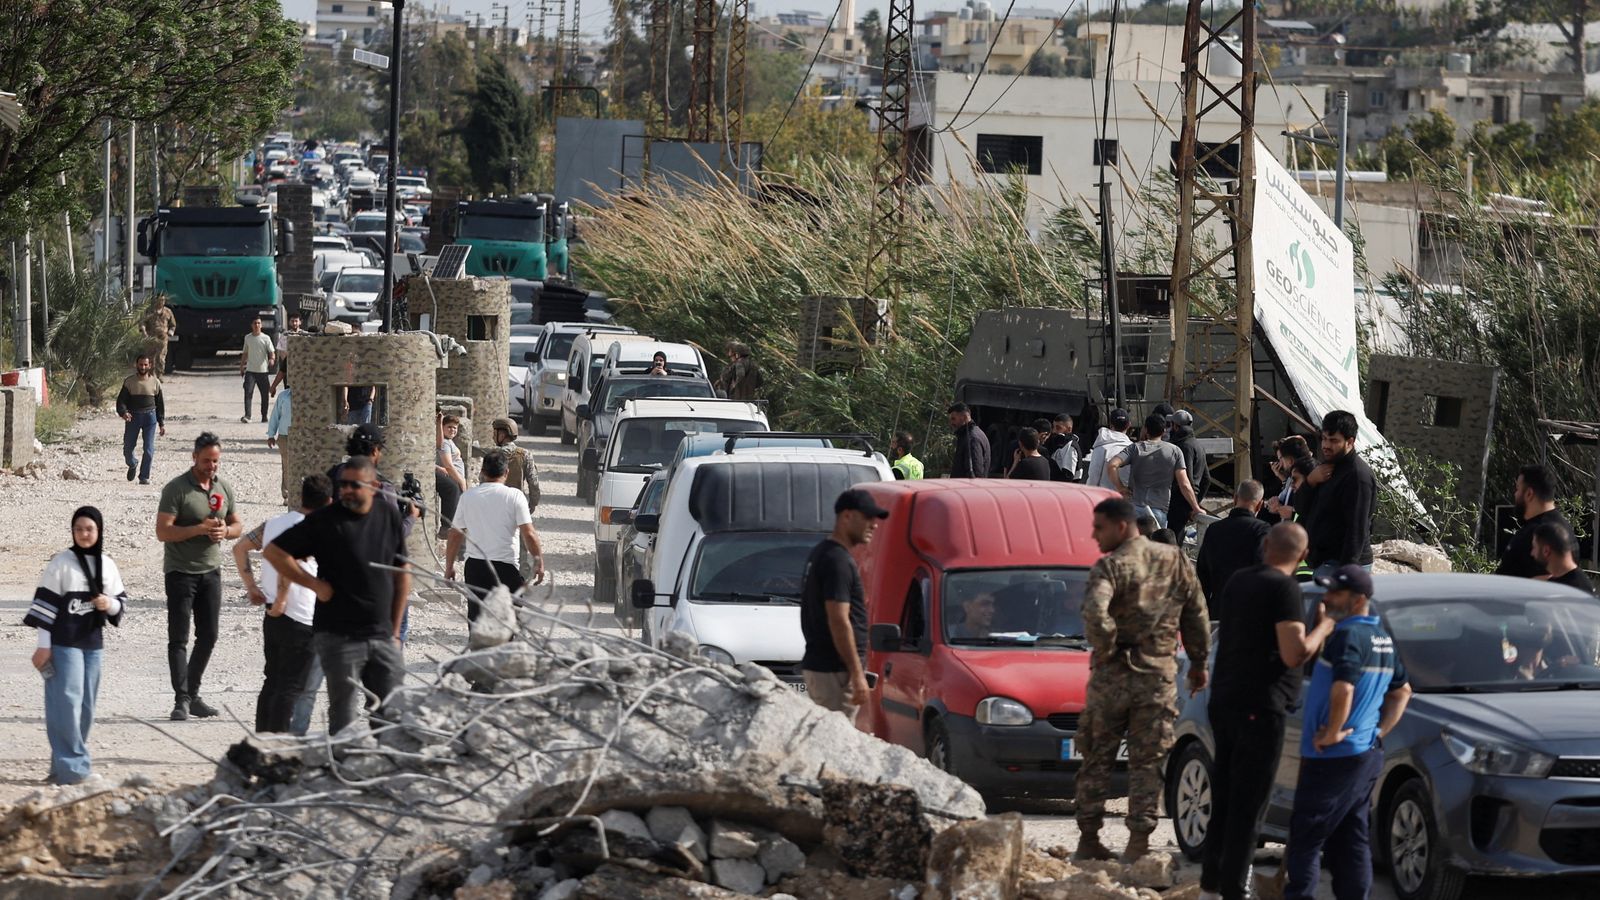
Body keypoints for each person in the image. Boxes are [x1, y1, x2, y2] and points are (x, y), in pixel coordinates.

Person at [1200, 523, 1335, 900]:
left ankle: (1210, 885)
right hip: (1261, 706)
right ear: (1304, 556)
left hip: (1225, 700)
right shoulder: (1284, 588)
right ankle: (1233, 889)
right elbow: (1294, 653)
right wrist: (1324, 625)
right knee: (1250, 805)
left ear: (1264, 548)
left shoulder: (1239, 581)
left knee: (1225, 797)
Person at [1075, 498, 1210, 863]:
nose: (1093, 534)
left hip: (1111, 676)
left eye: (1098, 527)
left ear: (1122, 526)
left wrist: (1108, 645)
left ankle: (1089, 839)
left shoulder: (1110, 566)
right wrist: (1198, 661)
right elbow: (1196, 614)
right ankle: (1138, 843)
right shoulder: (1175, 560)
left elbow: (1093, 612)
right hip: (1157, 675)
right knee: (1146, 759)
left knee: (1097, 754)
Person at [1284, 564, 1412, 900]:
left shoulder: (1347, 636)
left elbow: (1344, 688)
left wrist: (1333, 732)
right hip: (1365, 753)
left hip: (1333, 756)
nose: (1326, 598)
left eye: (1334, 593)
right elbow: (1403, 692)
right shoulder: (1382, 638)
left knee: (1306, 838)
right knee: (1350, 838)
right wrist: (1376, 731)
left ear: (1357, 600)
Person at [265, 456, 411, 736]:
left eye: (353, 485)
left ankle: (386, 770)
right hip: (339, 635)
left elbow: (402, 572)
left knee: (391, 710)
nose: (345, 490)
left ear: (374, 486)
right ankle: (344, 771)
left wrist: (394, 632)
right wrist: (313, 584)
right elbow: (275, 552)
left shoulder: (388, 515)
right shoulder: (325, 521)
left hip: (380, 635)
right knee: (343, 716)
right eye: (341, 484)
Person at [25, 507, 128, 785]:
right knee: (66, 703)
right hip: (63, 643)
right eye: (79, 529)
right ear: (72, 531)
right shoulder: (61, 563)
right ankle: (75, 768)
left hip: (93, 644)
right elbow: (45, 608)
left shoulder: (106, 564)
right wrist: (43, 646)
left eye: (89, 529)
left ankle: (62, 768)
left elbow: (121, 602)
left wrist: (110, 604)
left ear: (99, 531)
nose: (84, 534)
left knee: (86, 706)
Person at [233, 475, 333, 734]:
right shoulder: (315, 528)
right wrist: (281, 598)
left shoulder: (274, 523)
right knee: (291, 686)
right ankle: (277, 745)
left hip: (273, 615)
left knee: (273, 681)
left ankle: (262, 740)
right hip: (299, 615)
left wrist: (252, 588)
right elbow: (292, 563)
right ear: (330, 501)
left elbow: (240, 548)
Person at [156, 432, 241, 721]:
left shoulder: (224, 488)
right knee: (178, 639)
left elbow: (237, 524)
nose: (211, 466)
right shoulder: (176, 489)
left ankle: (192, 693)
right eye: (206, 461)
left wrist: (225, 532)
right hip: (180, 572)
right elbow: (163, 531)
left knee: (209, 635)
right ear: (194, 457)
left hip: (211, 572)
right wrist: (198, 529)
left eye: (215, 461)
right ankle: (181, 700)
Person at [799, 489, 888, 718]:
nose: (874, 525)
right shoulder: (836, 561)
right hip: (835, 673)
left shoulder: (824, 553)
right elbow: (839, 620)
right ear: (847, 516)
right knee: (833, 746)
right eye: (868, 517)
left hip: (829, 669)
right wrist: (857, 674)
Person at [446, 450, 548, 621]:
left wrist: (449, 566)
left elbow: (455, 534)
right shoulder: (515, 496)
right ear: (506, 472)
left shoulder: (468, 497)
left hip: (475, 568)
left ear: (483, 472)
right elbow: (529, 534)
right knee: (508, 622)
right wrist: (539, 562)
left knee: (477, 620)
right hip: (505, 568)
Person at [1302, 411, 1377, 569]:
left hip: (1342, 565)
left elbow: (1357, 528)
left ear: (1350, 442)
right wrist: (1310, 481)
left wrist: (1346, 575)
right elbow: (1301, 508)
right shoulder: (1327, 468)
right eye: (1324, 439)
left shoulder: (1357, 475)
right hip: (1323, 562)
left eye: (1334, 440)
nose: (1326, 446)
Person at [1107, 415, 1202, 529]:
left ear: (1146, 429)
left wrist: (1121, 488)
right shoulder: (1175, 451)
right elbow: (1184, 484)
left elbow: (1112, 465)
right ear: (1164, 431)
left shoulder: (1135, 448)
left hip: (1135, 508)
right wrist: (1196, 508)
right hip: (1159, 511)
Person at [1195, 480, 1271, 604]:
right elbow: (1264, 570)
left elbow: (1202, 570)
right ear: (1259, 505)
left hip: (1219, 606)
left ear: (1235, 498)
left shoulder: (1214, 529)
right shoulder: (1262, 530)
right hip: (1249, 607)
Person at [1497, 464, 1576, 579]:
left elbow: (1546, 582)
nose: (1515, 494)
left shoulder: (1539, 535)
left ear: (1529, 494)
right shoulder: (1564, 530)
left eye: (1518, 489)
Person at [116, 354, 165, 485]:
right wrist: (124, 413)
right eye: (140, 364)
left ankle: (144, 476)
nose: (143, 367)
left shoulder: (155, 382)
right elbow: (121, 401)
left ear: (150, 366)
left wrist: (161, 423)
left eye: (145, 365)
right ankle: (132, 464)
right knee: (128, 448)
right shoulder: (129, 382)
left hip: (150, 417)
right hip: (133, 417)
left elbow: (160, 404)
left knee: (149, 449)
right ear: (136, 365)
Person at [1165, 410, 1209, 535]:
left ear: (1176, 426)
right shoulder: (1198, 445)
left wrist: (1193, 507)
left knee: (1172, 542)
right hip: (1187, 502)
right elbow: (1206, 479)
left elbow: (1185, 480)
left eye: (1171, 424)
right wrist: (1195, 502)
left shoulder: (1183, 446)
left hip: (1178, 502)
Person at [1262, 436, 1314, 525]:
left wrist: (1292, 514)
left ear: (1290, 460)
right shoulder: (1291, 478)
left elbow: (1311, 514)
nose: (1280, 463)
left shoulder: (1309, 481)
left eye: (1281, 459)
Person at [1532, 522, 1594, 593]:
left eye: (1534, 547)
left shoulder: (1576, 590)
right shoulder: (1560, 582)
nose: (1532, 553)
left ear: (1546, 551)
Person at [265, 361, 294, 504]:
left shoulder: (309, 397)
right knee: (287, 465)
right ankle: (287, 495)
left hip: (302, 436)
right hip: (284, 436)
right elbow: (275, 416)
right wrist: (271, 435)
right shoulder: (283, 396)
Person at [435, 413, 467, 540]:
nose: (452, 430)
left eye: (455, 428)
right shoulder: (445, 444)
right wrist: (461, 481)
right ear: (442, 428)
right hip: (454, 477)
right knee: (452, 490)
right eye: (449, 427)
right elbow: (448, 464)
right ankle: (447, 528)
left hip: (456, 477)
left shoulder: (449, 442)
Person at [240, 317, 276, 424]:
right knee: (248, 392)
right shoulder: (248, 338)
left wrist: (272, 359)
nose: (257, 325)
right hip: (250, 371)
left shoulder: (266, 338)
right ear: (252, 325)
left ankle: (264, 416)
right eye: (255, 323)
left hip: (263, 371)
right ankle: (248, 415)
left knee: (265, 395)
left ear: (261, 325)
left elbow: (272, 351)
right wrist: (242, 366)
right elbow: (245, 353)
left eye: (259, 323)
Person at [1086, 408, 1133, 489]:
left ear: (1111, 425)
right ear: (1129, 425)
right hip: (1126, 498)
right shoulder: (1134, 449)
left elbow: (1093, 477)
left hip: (1103, 498)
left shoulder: (1101, 447)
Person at [948, 402, 991, 478]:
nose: (951, 423)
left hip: (966, 488)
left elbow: (975, 472)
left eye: (953, 419)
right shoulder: (969, 436)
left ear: (964, 417)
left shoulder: (972, 439)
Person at [269, 312, 308, 394]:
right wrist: (289, 362)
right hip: (288, 367)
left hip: (303, 367)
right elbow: (281, 351)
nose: (294, 323)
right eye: (292, 321)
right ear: (289, 322)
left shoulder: (305, 335)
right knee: (288, 391)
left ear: (300, 322)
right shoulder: (285, 335)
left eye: (296, 321)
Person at [140, 295, 177, 376]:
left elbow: (173, 325)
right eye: (159, 300)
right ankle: (150, 375)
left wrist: (170, 332)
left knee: (160, 358)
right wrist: (144, 331)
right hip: (151, 337)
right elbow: (142, 322)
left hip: (162, 338)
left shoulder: (168, 311)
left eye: (163, 300)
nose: (161, 302)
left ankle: (159, 375)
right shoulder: (149, 311)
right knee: (150, 358)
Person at [1042, 413, 1080, 482]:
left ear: (1069, 429)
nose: (1054, 431)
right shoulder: (1060, 445)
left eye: (1058, 428)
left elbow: (1068, 475)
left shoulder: (1070, 446)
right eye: (1053, 427)